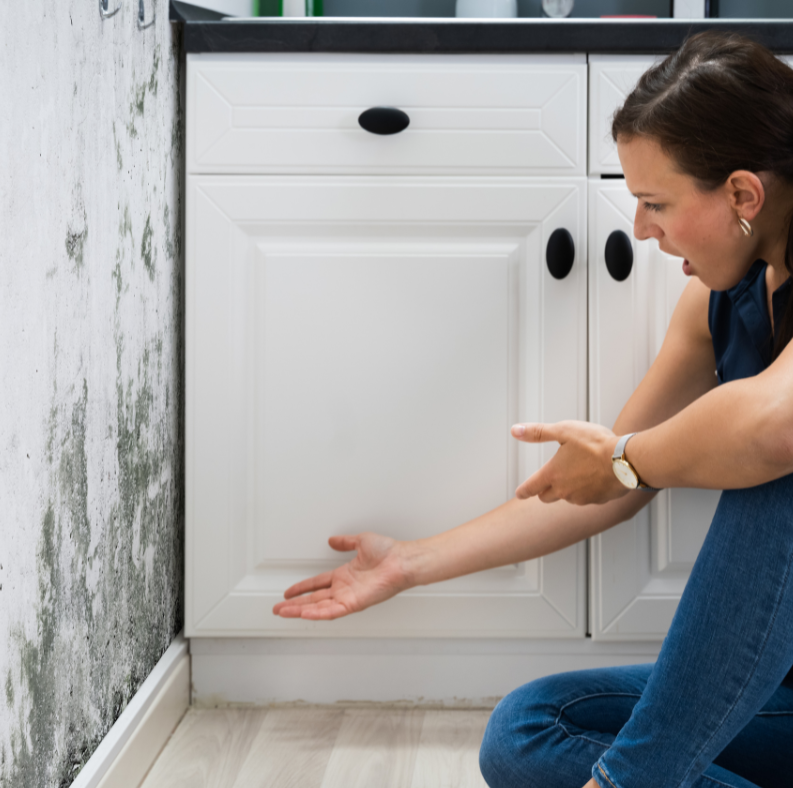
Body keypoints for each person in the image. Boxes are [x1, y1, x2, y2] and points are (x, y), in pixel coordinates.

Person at [271, 31, 793, 788]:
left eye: (655, 203)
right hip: (772, 692)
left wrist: (623, 458)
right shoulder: (718, 294)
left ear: (743, 194)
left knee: (773, 473)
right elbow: (608, 485)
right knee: (529, 729)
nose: (642, 230)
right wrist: (413, 563)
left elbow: (772, 426)